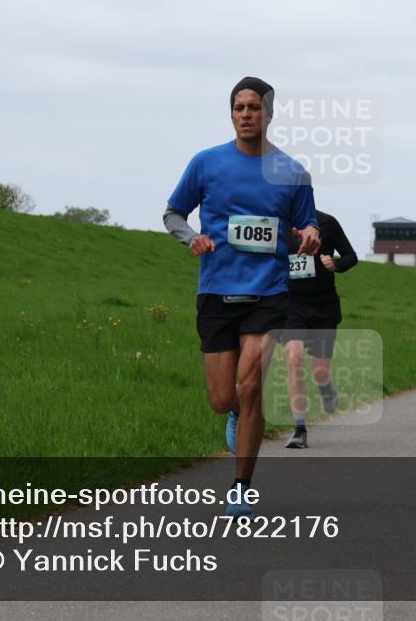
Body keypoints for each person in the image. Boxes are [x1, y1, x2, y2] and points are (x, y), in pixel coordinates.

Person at [163, 76, 319, 516]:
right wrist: (192, 238)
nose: (246, 114)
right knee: (222, 398)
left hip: (268, 293)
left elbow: (308, 223)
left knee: (250, 386)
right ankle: (237, 413)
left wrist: (310, 233)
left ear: (269, 113)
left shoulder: (293, 172)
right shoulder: (206, 163)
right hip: (217, 290)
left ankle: (241, 487)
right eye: (239, 107)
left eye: (254, 107)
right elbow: (173, 213)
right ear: (231, 113)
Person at [282, 210, 357, 449]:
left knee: (319, 370)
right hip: (292, 304)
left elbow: (351, 256)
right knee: (294, 358)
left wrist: (335, 264)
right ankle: (299, 429)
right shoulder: (279, 221)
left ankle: (327, 388)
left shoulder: (327, 223)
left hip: (323, 307)